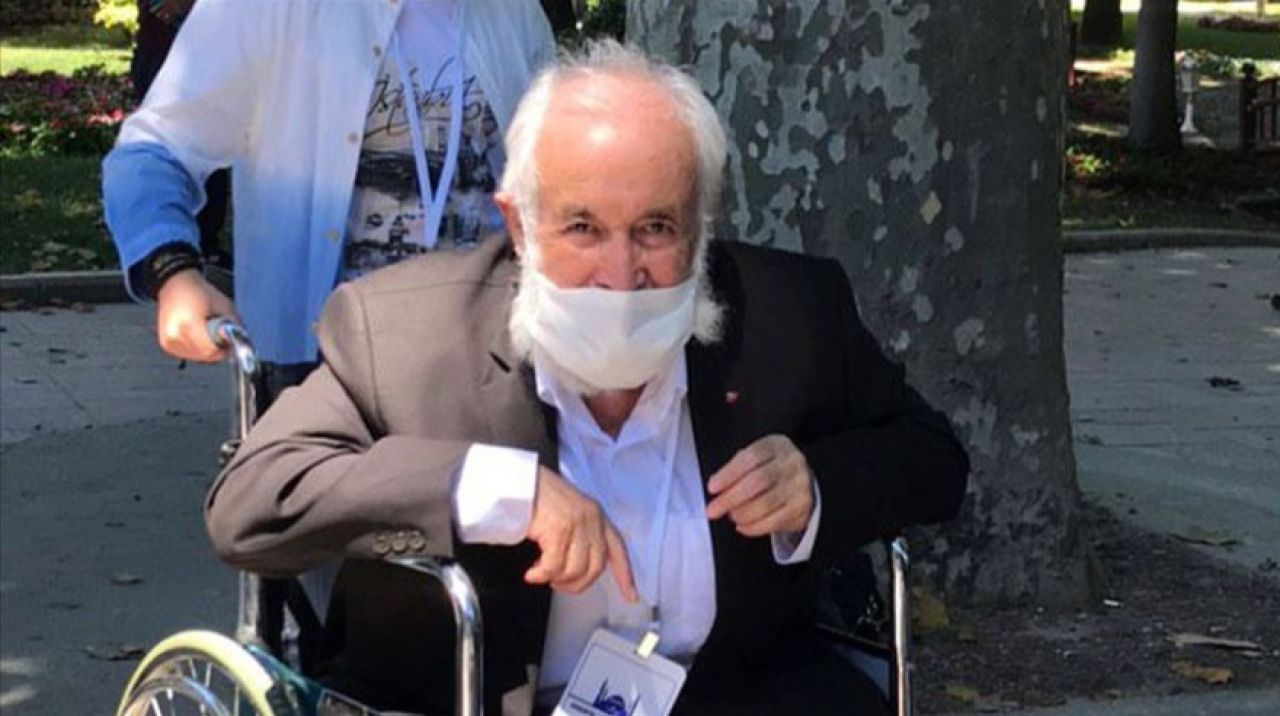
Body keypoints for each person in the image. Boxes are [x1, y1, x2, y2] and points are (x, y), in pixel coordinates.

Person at [206, 41, 969, 715]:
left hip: (732, 691)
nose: (620, 273)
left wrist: (815, 484)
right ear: (518, 224)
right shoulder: (406, 334)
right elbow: (250, 504)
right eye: (582, 228)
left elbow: (936, 457)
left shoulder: (788, 312)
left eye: (656, 228)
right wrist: (499, 490)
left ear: (701, 225)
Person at [103, 0, 556, 406]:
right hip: (322, 380)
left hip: (487, 374)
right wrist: (172, 274)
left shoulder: (515, 14)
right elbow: (155, 149)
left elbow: (550, 178)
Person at [129, 0, 231, 270]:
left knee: (212, 147)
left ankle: (203, 243)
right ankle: (171, 245)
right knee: (170, 148)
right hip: (164, 53)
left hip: (208, 52)